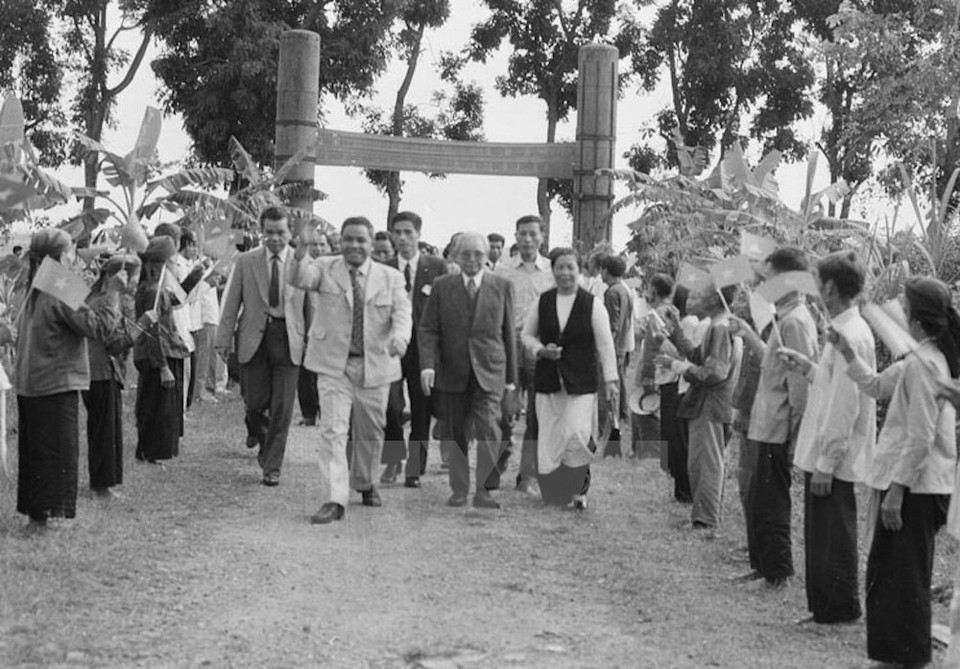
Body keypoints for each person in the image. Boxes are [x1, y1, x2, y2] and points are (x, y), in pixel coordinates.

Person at [834, 277, 958, 667]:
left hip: (916, 487)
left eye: (902, 306)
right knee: (890, 573)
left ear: (917, 321)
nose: (897, 312)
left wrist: (898, 490)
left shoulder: (925, 365)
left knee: (904, 576)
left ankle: (909, 655)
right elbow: (874, 386)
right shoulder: (918, 359)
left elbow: (921, 436)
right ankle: (894, 654)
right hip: (910, 483)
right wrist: (845, 352)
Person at [291, 216, 411, 524]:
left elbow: (402, 315)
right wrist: (302, 247)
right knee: (333, 430)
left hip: (376, 364)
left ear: (372, 244)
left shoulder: (391, 277)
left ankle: (365, 481)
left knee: (371, 432)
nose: (354, 245)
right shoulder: (325, 267)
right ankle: (335, 498)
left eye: (361, 240)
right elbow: (299, 278)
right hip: (333, 364)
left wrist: (400, 338)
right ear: (339, 241)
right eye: (348, 239)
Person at [778, 251, 876, 623]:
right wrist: (807, 367)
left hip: (834, 458)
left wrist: (827, 463)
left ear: (832, 288)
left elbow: (845, 406)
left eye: (820, 283)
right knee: (822, 535)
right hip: (827, 454)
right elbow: (834, 385)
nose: (816, 290)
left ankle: (837, 610)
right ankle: (824, 608)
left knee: (833, 536)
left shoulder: (852, 334)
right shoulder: (844, 330)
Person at [15, 229, 123, 528]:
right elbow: (98, 328)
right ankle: (47, 517)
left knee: (36, 452)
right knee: (57, 453)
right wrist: (113, 292)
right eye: (72, 251)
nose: (75, 257)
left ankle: (37, 516)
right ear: (62, 256)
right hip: (55, 381)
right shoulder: (61, 283)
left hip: (31, 380)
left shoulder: (36, 281)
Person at [732, 247, 818, 587]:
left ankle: (776, 571)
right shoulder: (785, 316)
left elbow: (799, 388)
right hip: (765, 422)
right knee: (759, 498)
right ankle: (763, 565)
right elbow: (774, 360)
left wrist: (795, 437)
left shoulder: (796, 320)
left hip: (779, 427)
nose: (761, 287)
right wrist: (750, 336)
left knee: (771, 502)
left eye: (767, 280)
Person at [420, 232, 517, 509]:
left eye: (478, 254)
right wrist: (428, 365)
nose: (472, 259)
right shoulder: (442, 286)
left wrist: (511, 381)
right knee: (457, 433)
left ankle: (484, 490)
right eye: (466, 254)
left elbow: (509, 334)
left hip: (490, 371)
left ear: (487, 257)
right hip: (453, 371)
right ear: (454, 256)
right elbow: (428, 329)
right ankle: (459, 489)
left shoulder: (502, 286)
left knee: (489, 429)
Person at [216, 206, 308, 487]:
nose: (275, 238)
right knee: (254, 403)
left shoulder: (303, 263)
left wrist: (315, 343)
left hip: (288, 339)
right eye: (269, 232)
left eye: (281, 232)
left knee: (282, 408)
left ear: (290, 232)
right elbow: (232, 302)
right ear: (261, 232)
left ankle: (272, 465)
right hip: (254, 339)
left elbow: (311, 308)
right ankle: (261, 435)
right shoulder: (246, 261)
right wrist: (222, 339)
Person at [522, 247, 618, 510]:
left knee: (576, 433)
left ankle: (578, 491)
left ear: (580, 270)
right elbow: (527, 335)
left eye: (570, 267)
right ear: (553, 271)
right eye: (559, 267)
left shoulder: (592, 304)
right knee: (550, 436)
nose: (565, 273)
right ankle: (553, 491)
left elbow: (606, 344)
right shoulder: (542, 302)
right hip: (548, 379)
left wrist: (611, 379)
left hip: (581, 381)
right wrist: (540, 350)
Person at [658, 282, 742, 528]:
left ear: (715, 299)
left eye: (700, 294)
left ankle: (705, 519)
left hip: (711, 405)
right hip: (712, 405)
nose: (693, 297)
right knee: (703, 460)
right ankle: (703, 515)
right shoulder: (719, 325)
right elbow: (698, 355)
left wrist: (680, 367)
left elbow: (714, 372)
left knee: (706, 463)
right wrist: (675, 332)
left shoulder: (720, 328)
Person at [380, 211, 448, 487]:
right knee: (390, 405)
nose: (403, 238)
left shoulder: (437, 266)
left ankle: (415, 469)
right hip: (392, 347)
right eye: (398, 232)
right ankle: (394, 457)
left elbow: (443, 311)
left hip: (424, 350)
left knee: (422, 407)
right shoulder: (382, 268)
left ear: (419, 235)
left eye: (409, 232)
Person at [495, 214, 554, 493]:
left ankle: (527, 475)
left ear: (542, 236)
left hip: (539, 349)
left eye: (533, 234)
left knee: (537, 415)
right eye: (522, 234)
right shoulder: (502, 270)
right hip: (507, 346)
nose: (528, 239)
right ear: (516, 237)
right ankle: (500, 458)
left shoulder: (553, 272)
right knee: (503, 410)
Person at [84, 254, 145, 498]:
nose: (133, 283)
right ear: (114, 276)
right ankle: (101, 486)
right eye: (130, 277)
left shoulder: (100, 297)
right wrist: (140, 327)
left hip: (99, 371)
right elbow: (112, 341)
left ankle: (104, 483)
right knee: (104, 431)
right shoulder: (104, 300)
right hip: (99, 372)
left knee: (105, 429)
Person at [134, 236, 191, 465]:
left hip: (164, 351)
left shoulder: (159, 288)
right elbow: (152, 331)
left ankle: (153, 452)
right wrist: (163, 366)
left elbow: (177, 301)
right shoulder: (150, 291)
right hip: (154, 355)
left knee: (162, 407)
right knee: (154, 407)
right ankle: (148, 452)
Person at [296, 226, 331, 426]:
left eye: (322, 244)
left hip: (329, 328)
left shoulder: (336, 267)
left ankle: (326, 410)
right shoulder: (303, 268)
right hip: (306, 326)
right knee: (306, 373)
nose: (318, 248)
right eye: (314, 244)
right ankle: (309, 413)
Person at [599, 255, 635, 450]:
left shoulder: (611, 292)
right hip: (623, 344)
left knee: (611, 387)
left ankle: (611, 426)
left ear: (606, 270)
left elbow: (612, 325)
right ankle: (620, 418)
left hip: (614, 345)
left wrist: (606, 349)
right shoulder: (625, 289)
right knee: (619, 384)